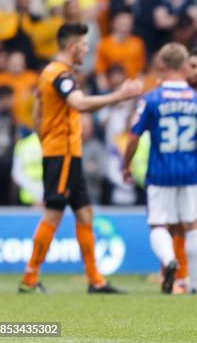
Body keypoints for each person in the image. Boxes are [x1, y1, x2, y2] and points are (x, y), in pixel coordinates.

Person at [19, 23, 142, 293]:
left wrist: (44, 138)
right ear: (72, 46)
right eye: (85, 45)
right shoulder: (61, 75)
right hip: (62, 153)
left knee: (85, 214)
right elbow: (79, 103)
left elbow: (38, 110)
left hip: (65, 152)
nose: (87, 49)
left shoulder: (48, 73)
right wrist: (119, 95)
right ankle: (29, 279)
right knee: (52, 214)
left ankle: (95, 280)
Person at [123, 43, 197, 295]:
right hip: (190, 173)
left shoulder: (151, 99)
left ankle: (168, 260)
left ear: (160, 66)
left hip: (160, 173)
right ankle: (194, 284)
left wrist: (126, 164)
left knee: (158, 226)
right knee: (193, 225)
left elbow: (133, 137)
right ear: (185, 66)